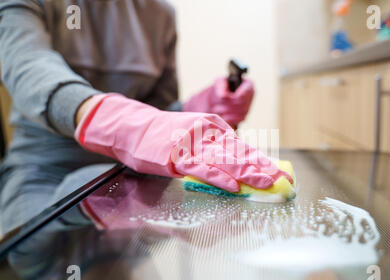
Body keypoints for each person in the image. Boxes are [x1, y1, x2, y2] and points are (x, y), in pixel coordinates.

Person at [0, 0, 291, 234]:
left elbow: (157, 112)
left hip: (126, 178)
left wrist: (203, 106)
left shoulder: (160, 14)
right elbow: (28, 68)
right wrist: (114, 121)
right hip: (43, 176)